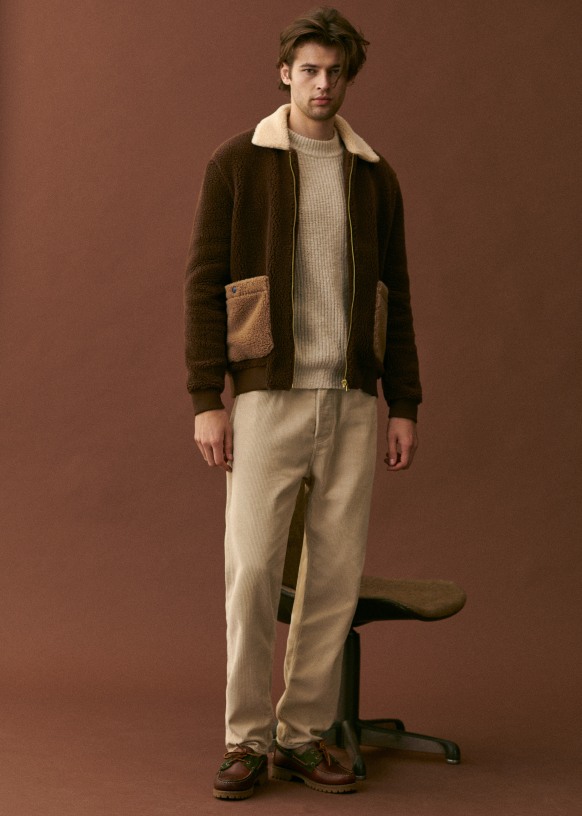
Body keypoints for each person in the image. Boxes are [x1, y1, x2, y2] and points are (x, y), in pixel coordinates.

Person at [184, 6, 422, 800]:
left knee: (332, 581)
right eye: (310, 70)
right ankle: (245, 741)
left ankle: (301, 737)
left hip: (351, 404)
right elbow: (204, 286)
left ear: (347, 79)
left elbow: (395, 295)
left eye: (335, 72)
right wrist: (207, 397)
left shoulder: (373, 175)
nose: (323, 85)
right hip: (267, 401)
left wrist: (403, 402)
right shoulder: (237, 163)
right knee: (253, 569)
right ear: (286, 72)